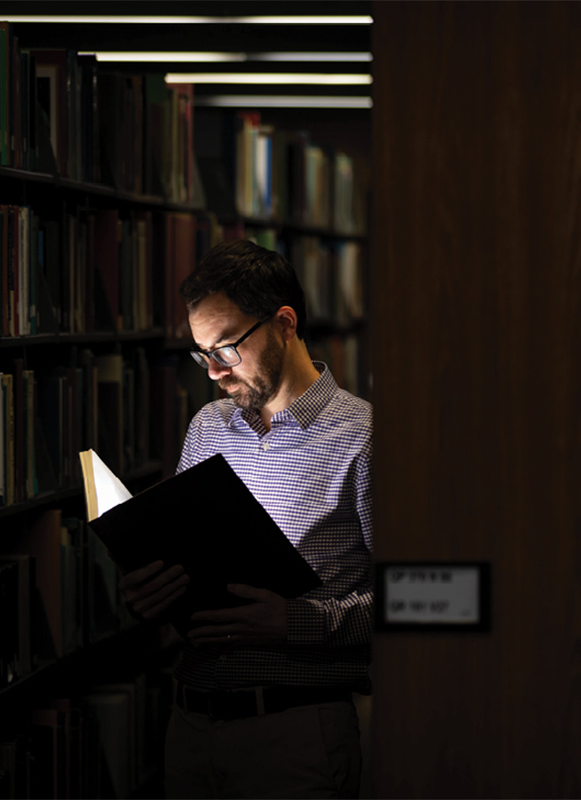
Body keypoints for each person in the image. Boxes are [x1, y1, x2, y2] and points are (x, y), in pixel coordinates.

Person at [117, 239, 372, 798]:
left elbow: (424, 598)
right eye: (201, 353)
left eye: (226, 349)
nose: (212, 372)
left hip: (296, 734)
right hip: (189, 725)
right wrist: (150, 591)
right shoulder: (208, 427)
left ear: (284, 323)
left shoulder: (365, 438)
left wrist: (295, 622)